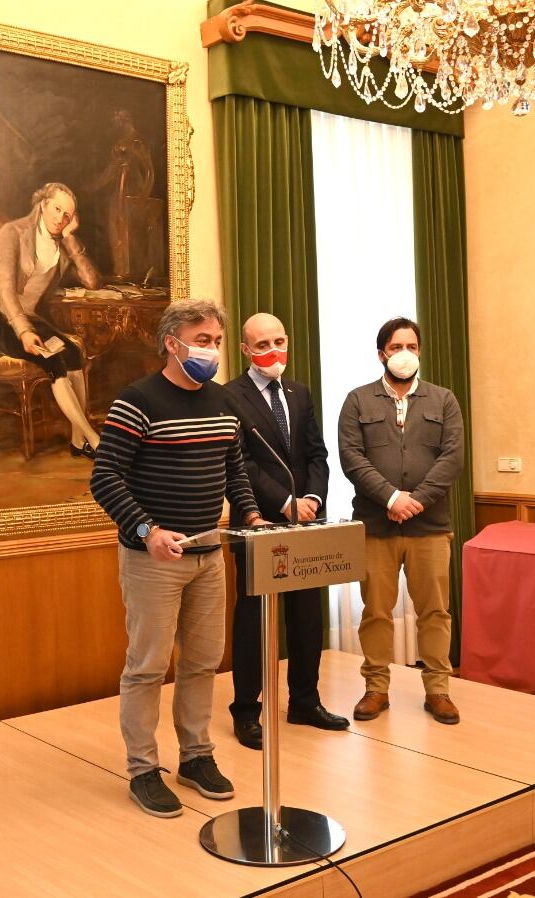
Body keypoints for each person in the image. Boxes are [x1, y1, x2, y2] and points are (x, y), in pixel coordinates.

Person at [90, 298, 264, 818]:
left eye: (215, 340)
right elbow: (104, 477)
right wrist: (146, 530)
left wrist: (251, 516)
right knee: (147, 667)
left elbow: (234, 471)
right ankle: (143, 768)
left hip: (210, 555)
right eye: (203, 340)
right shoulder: (136, 401)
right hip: (154, 560)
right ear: (173, 343)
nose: (211, 350)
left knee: (204, 663)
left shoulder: (223, 402)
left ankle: (196, 756)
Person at [222, 312, 346, 750]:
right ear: (244, 351)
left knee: (307, 617)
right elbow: (240, 464)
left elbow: (316, 454)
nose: (273, 350)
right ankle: (246, 712)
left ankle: (305, 701)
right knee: (254, 623)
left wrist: (311, 499)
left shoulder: (299, 392)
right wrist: (284, 503)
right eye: (262, 344)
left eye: (279, 340)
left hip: (305, 525)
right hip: (259, 522)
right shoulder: (228, 397)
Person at [338, 318, 464, 726]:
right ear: (382, 354)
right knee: (375, 611)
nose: (404, 352)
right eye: (396, 346)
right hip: (376, 526)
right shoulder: (358, 401)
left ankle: (438, 690)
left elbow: (452, 459)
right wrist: (391, 497)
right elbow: (351, 458)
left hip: (429, 526)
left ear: (420, 351)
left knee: (435, 612)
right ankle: (376, 688)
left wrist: (415, 502)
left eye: (411, 345)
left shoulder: (444, 400)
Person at [0, 182, 104, 456]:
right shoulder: (13, 232)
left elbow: (93, 282)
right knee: (51, 359)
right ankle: (94, 440)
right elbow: (5, 288)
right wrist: (24, 331)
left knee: (73, 353)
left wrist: (71, 239)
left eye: (67, 215)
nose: (60, 218)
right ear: (42, 204)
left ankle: (78, 442)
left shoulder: (61, 244)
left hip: (22, 315)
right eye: (56, 208)